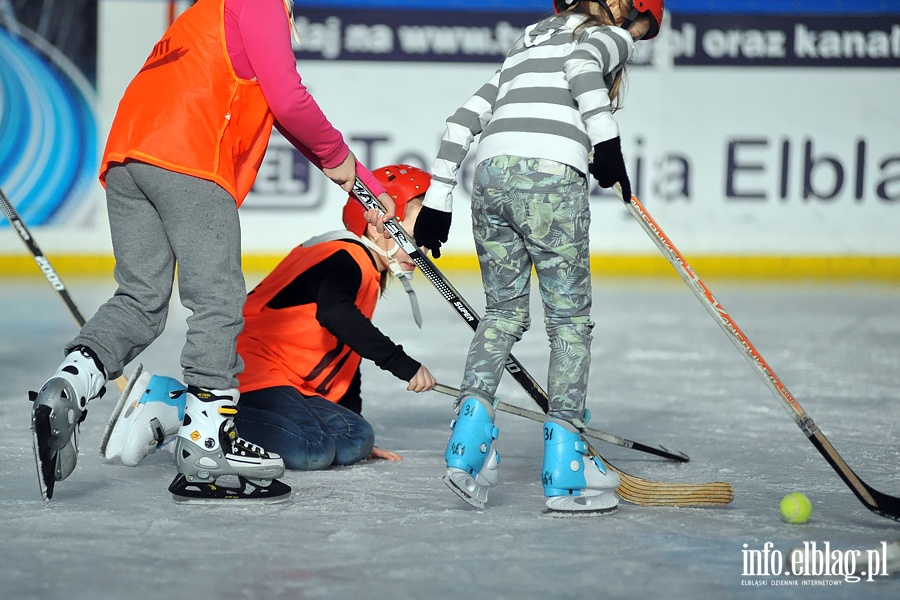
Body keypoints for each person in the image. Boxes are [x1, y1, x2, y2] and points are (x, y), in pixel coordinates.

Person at [29, 0, 395, 502]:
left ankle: (67, 386)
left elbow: (276, 107)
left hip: (128, 156)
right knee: (218, 300)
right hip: (191, 155)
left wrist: (364, 186)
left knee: (140, 299)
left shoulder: (207, 11)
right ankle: (208, 440)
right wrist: (341, 161)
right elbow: (288, 99)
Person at [412, 0, 664, 515]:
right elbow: (581, 70)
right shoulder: (607, 35)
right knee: (568, 320)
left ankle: (468, 448)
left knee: (502, 314)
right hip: (550, 181)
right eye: (642, 26)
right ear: (623, 8)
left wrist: (438, 202)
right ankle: (568, 467)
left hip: (490, 179)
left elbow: (462, 121)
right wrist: (607, 146)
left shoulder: (527, 44)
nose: (636, 39)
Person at [103, 165, 436, 472]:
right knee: (312, 449)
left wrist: (350, 418)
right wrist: (402, 364)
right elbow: (337, 315)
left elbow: (345, 349)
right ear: (380, 225)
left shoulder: (366, 268)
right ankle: (181, 407)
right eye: (418, 230)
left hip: (292, 383)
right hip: (255, 369)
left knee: (355, 439)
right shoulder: (345, 256)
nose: (424, 245)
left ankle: (209, 417)